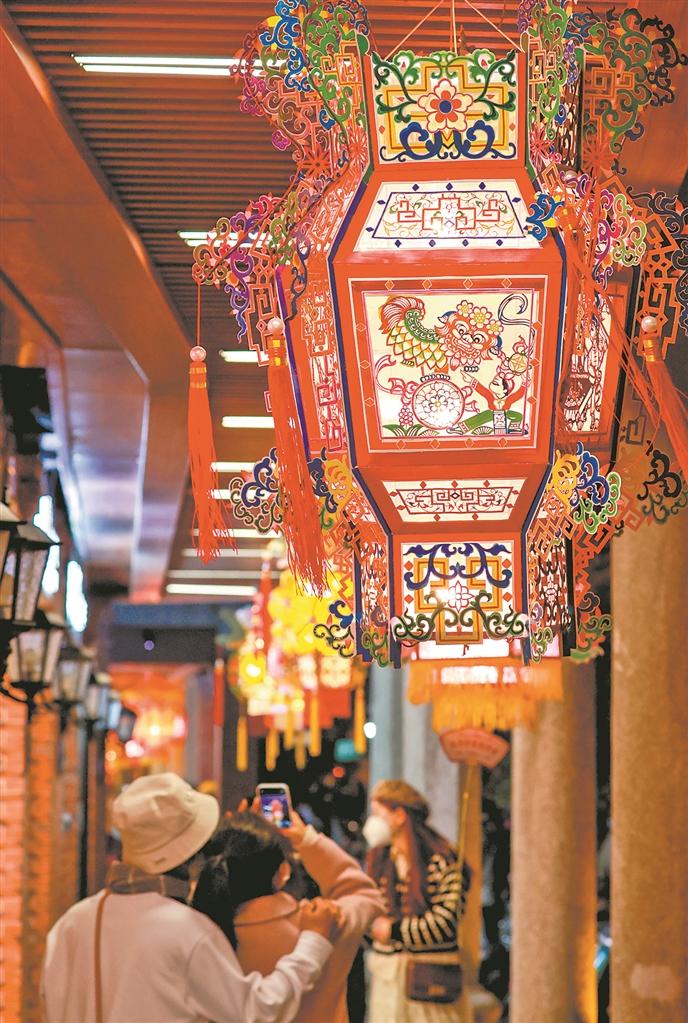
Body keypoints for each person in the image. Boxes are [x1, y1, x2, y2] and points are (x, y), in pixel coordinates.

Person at [41, 773, 340, 1023]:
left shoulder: (71, 923)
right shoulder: (188, 931)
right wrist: (313, 943)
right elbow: (258, 1011)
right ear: (193, 854)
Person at [192, 807, 384, 1023]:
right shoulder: (325, 922)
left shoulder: (201, 936)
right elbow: (364, 894)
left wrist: (238, 833)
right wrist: (306, 839)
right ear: (283, 872)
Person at [363, 779, 473, 1023]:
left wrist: (394, 931)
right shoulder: (380, 861)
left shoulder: (442, 860)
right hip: (387, 982)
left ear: (400, 815)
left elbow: (446, 921)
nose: (372, 822)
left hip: (430, 984)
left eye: (378, 814)